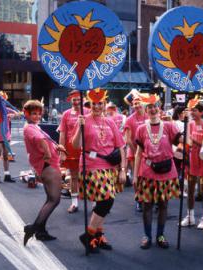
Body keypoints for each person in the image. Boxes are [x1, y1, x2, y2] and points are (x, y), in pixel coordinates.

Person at [72, 88, 126, 254]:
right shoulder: (83, 120)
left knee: (101, 201)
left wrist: (123, 169)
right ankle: (88, 235)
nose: (97, 106)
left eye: (100, 103)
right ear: (90, 104)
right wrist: (80, 128)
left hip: (110, 167)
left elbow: (121, 147)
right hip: (91, 165)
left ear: (104, 104)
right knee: (107, 200)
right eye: (94, 103)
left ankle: (98, 236)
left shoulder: (110, 121)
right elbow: (76, 145)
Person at [133, 94, 180, 249]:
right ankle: (147, 236)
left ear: (159, 108)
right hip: (147, 172)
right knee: (147, 205)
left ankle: (160, 235)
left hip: (167, 171)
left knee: (163, 204)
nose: (152, 109)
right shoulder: (141, 129)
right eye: (149, 107)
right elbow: (138, 153)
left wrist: (186, 127)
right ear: (146, 110)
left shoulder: (169, 126)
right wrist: (135, 175)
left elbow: (182, 143)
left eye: (155, 106)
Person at [22, 100, 65, 246]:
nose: (37, 116)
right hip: (48, 165)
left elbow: (44, 139)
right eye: (33, 113)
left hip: (47, 165)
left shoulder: (34, 127)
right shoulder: (29, 128)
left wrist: (56, 146)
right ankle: (32, 228)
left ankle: (41, 231)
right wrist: (47, 153)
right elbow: (40, 140)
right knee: (54, 200)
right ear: (26, 114)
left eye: (38, 113)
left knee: (50, 199)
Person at [181, 101, 203, 229]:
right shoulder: (190, 124)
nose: (192, 112)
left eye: (194, 110)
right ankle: (190, 216)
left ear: (201, 112)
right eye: (191, 110)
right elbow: (187, 142)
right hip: (192, 160)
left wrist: (193, 140)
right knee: (191, 189)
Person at [58, 90, 89, 213]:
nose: (76, 102)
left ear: (83, 99)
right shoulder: (66, 114)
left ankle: (94, 203)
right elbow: (62, 133)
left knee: (89, 177)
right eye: (74, 100)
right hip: (71, 150)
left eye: (78, 99)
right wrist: (61, 151)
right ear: (70, 100)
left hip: (86, 149)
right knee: (74, 177)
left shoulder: (88, 112)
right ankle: (74, 203)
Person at [124, 96, 148, 211]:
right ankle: (138, 199)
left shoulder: (149, 117)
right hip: (133, 151)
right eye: (135, 104)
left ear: (143, 104)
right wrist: (136, 152)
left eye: (139, 103)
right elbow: (127, 139)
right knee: (137, 176)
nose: (137, 106)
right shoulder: (130, 119)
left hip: (149, 152)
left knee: (148, 176)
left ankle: (149, 197)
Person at [0, 91, 16, 183]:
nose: (3, 102)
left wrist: (14, 114)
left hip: (7, 137)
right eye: (2, 100)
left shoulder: (5, 109)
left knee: (6, 156)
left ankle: (7, 174)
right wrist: (5, 118)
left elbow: (17, 114)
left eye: (4, 100)